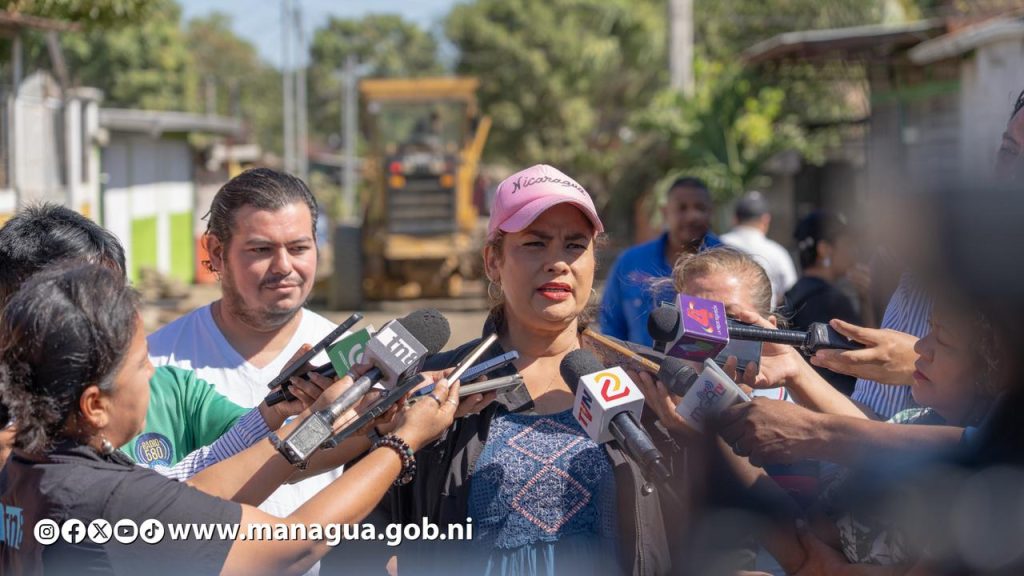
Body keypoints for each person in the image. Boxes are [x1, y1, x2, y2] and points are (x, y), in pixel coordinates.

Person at [0, 263, 461, 575]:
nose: (153, 373)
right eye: (141, 365)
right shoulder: (108, 499)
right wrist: (401, 444)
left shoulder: (28, 469)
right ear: (94, 405)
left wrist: (310, 418)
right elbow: (294, 545)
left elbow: (196, 488)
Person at [366, 164, 683, 576]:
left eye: (575, 245)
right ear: (492, 261)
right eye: (535, 243)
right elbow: (367, 530)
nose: (558, 262)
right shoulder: (436, 384)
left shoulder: (646, 378)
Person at [0, 204, 285, 474]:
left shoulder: (168, 389)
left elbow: (266, 451)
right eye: (92, 301)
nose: (119, 316)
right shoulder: (19, 450)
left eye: (118, 294)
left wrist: (296, 411)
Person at [147, 169, 343, 534]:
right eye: (261, 250)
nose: (284, 266)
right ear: (216, 252)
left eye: (299, 248)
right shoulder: (155, 366)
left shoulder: (349, 359)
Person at [601, 176, 721, 346]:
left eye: (700, 208)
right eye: (682, 208)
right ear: (665, 212)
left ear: (711, 211)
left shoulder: (730, 265)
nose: (692, 216)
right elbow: (610, 327)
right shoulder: (630, 262)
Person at [783, 212, 866, 396]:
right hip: (840, 400)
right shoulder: (832, 301)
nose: (853, 253)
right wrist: (867, 301)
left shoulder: (794, 292)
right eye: (848, 244)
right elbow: (868, 358)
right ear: (824, 249)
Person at [720, 191, 797, 306]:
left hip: (719, 314)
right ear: (766, 220)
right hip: (763, 315)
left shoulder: (718, 244)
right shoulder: (777, 252)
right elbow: (790, 291)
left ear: (735, 219)